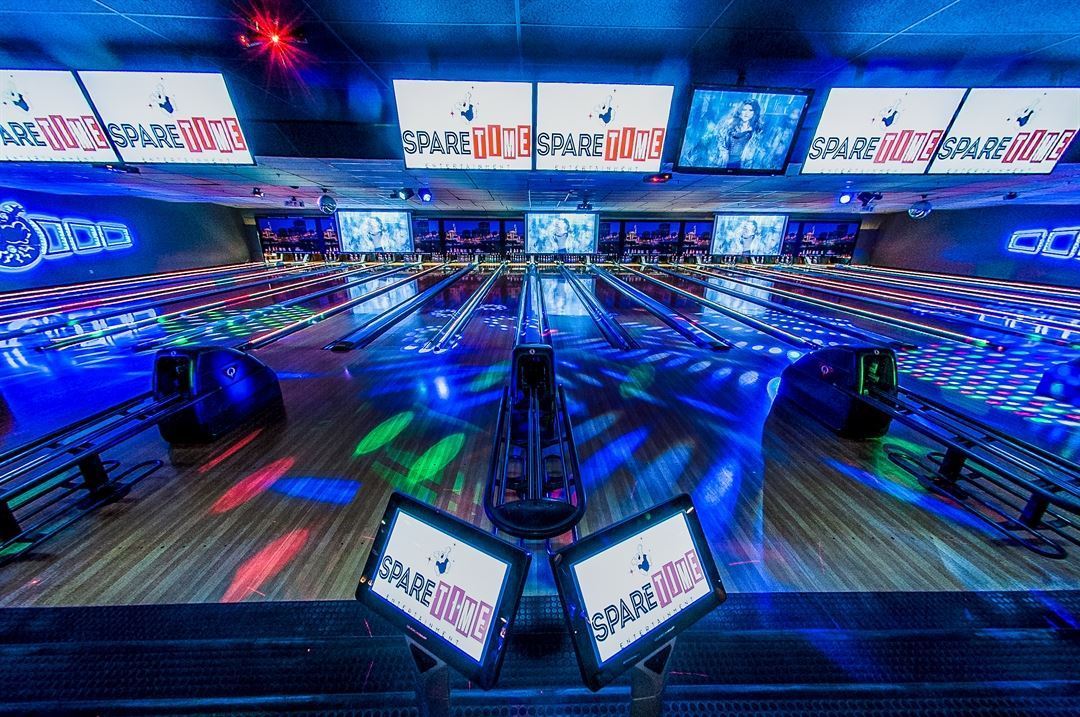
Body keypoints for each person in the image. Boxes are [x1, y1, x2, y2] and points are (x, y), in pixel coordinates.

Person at [722, 99, 764, 170]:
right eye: (744, 110)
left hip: (744, 166)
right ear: (740, 111)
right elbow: (721, 145)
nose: (746, 113)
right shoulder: (729, 126)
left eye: (750, 110)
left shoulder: (756, 131)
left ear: (754, 112)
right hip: (723, 164)